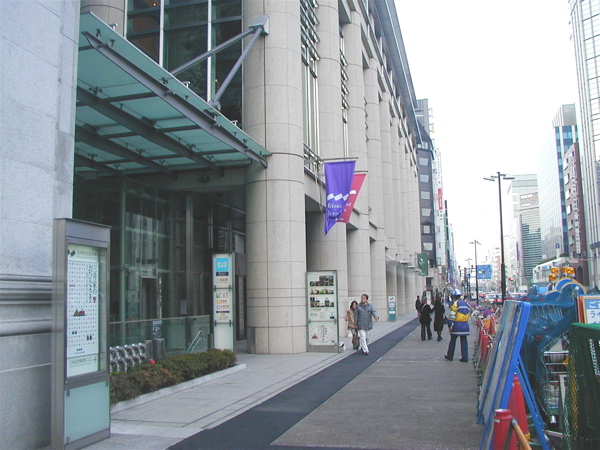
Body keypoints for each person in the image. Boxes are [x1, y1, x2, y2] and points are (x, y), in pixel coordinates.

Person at [444, 295, 471, 362]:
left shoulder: (455, 304)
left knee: (453, 340)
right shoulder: (466, 304)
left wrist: (450, 325)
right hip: (465, 325)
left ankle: (450, 356)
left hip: (457, 325)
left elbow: (452, 316)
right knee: (464, 341)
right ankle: (465, 357)